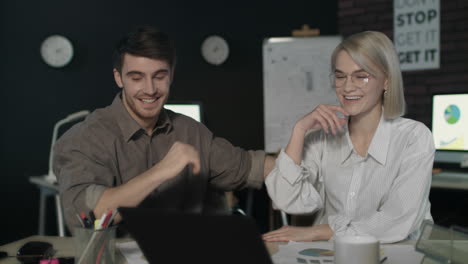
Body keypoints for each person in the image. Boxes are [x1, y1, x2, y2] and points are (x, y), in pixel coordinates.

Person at [53, 25, 275, 231]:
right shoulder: (85, 138)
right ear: (118, 78)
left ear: (171, 76)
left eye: (159, 77)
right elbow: (84, 214)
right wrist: (162, 171)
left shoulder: (191, 131)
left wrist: (304, 156)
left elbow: (247, 166)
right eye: (137, 78)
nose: (150, 89)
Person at [262, 31, 434, 243]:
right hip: (334, 255)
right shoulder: (321, 139)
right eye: (340, 76)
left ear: (387, 81)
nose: (347, 87)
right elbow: (287, 201)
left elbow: (397, 220)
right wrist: (299, 130)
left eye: (361, 76)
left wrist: (318, 231)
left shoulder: (414, 138)